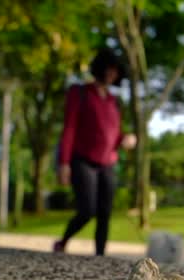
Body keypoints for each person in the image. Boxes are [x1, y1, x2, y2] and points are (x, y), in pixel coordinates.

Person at [53, 48, 137, 256]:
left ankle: (100, 256)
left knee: (105, 212)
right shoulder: (79, 92)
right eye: (109, 68)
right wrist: (64, 163)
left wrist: (126, 139)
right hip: (82, 160)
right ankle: (62, 242)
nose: (112, 73)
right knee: (87, 210)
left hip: (107, 162)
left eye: (116, 70)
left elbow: (114, 134)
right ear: (100, 68)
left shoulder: (113, 101)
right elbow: (69, 128)